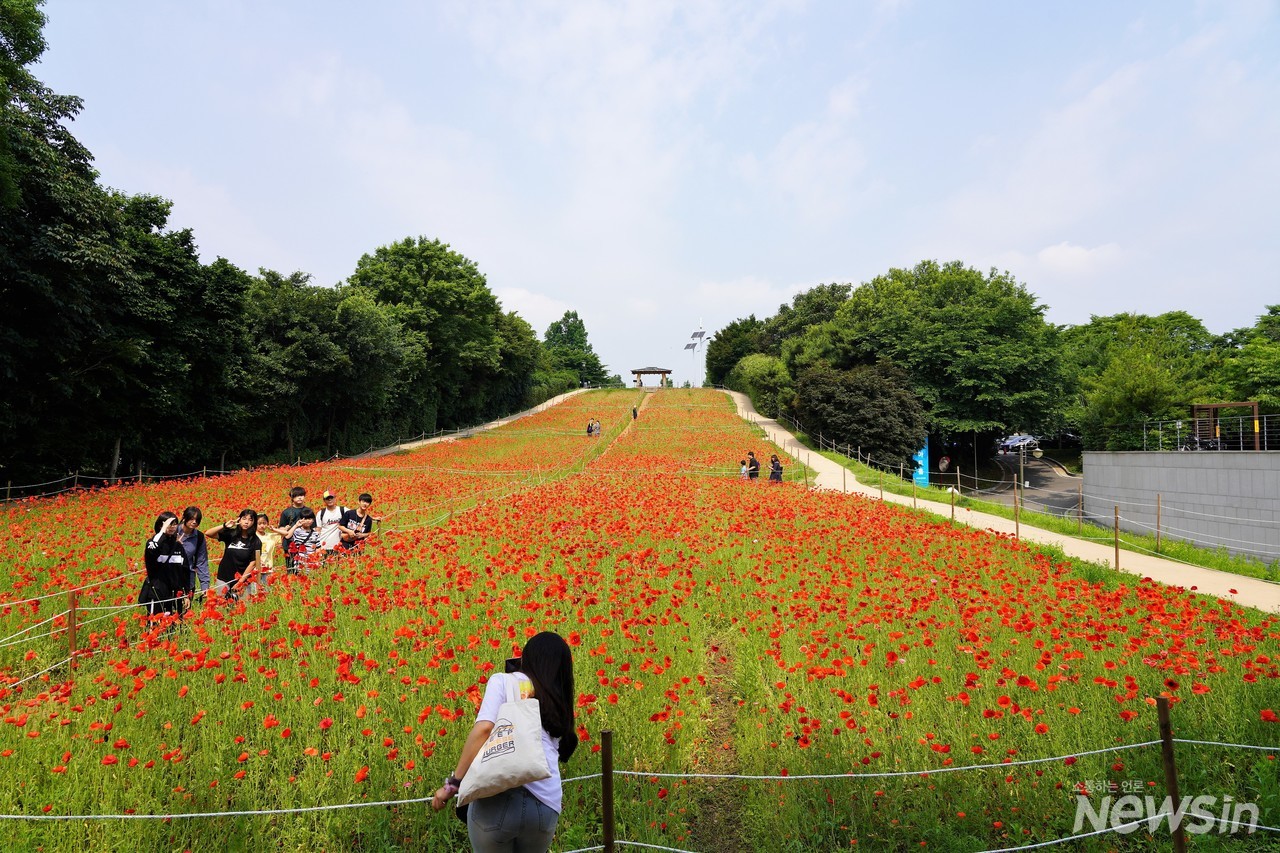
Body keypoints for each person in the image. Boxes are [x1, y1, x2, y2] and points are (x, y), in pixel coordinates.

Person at [432, 631, 578, 852]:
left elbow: (484, 729)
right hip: (545, 805)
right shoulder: (559, 699)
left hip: (497, 798)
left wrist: (453, 784)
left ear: (526, 658)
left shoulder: (503, 681)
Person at [206, 508, 261, 600]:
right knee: (222, 606)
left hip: (243, 579)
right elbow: (209, 533)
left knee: (241, 608)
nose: (246, 522)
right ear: (239, 520)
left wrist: (240, 582)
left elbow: (253, 563)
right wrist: (225, 525)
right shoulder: (231, 534)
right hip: (224, 577)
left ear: (254, 523)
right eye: (244, 518)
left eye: (250, 520)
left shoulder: (256, 541)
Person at [141, 512, 189, 617]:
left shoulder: (178, 546)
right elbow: (153, 548)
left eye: (174, 524)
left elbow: (184, 571)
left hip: (175, 594)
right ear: (160, 525)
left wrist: (186, 594)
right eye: (169, 524)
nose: (172, 527)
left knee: (174, 627)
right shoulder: (152, 543)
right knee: (155, 627)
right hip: (157, 592)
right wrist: (162, 531)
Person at [178, 505, 210, 603]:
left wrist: (205, 587)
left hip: (188, 579)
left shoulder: (199, 537)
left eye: (197, 519)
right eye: (191, 518)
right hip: (170, 578)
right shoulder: (172, 532)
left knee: (185, 613)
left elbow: (202, 562)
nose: (194, 522)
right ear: (184, 517)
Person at [274, 487, 310, 571]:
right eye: (297, 496)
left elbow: (313, 528)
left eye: (301, 495)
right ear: (292, 498)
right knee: (291, 569)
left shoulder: (308, 511)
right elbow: (282, 529)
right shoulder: (286, 512)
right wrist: (286, 529)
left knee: (306, 569)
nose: (300, 497)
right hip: (290, 544)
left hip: (305, 544)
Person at [283, 508, 321, 572]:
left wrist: (317, 561)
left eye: (310, 519)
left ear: (313, 520)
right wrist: (296, 525)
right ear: (301, 520)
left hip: (311, 562)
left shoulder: (315, 533)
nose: (308, 521)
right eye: (305, 519)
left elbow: (318, 548)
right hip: (299, 562)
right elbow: (287, 536)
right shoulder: (297, 531)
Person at [253, 513, 281, 597]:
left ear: (267, 524)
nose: (262, 526)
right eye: (259, 523)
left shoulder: (271, 536)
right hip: (254, 569)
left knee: (267, 592)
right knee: (254, 592)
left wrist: (275, 529)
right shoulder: (252, 536)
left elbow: (286, 534)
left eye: (264, 523)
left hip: (268, 567)